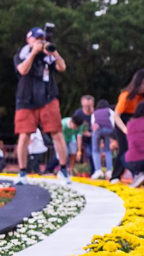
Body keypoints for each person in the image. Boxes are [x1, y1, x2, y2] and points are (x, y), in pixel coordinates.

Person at [14, 26, 70, 184]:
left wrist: (54, 53)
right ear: (28, 40)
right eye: (36, 38)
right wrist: (33, 53)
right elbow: (22, 70)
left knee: (57, 133)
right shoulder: (22, 54)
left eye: (42, 39)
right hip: (26, 99)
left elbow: (62, 67)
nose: (39, 41)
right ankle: (23, 173)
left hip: (48, 97)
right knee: (24, 135)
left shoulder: (49, 55)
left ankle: (64, 170)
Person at [111, 69, 144, 183]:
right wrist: (125, 129)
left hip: (134, 121)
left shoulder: (142, 97)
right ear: (137, 83)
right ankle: (115, 176)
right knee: (124, 148)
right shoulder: (126, 95)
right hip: (121, 122)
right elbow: (116, 116)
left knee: (138, 148)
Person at [90, 99, 114, 180]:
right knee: (107, 150)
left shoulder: (95, 112)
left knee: (95, 150)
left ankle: (98, 170)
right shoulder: (109, 110)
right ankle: (109, 171)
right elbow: (113, 121)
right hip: (108, 130)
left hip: (97, 130)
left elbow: (92, 123)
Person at [71, 95, 96, 170]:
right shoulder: (78, 113)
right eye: (86, 106)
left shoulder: (96, 113)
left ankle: (93, 171)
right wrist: (83, 132)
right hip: (78, 137)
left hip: (91, 139)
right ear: (82, 104)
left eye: (89, 106)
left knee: (91, 154)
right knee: (72, 153)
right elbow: (73, 126)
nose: (88, 108)